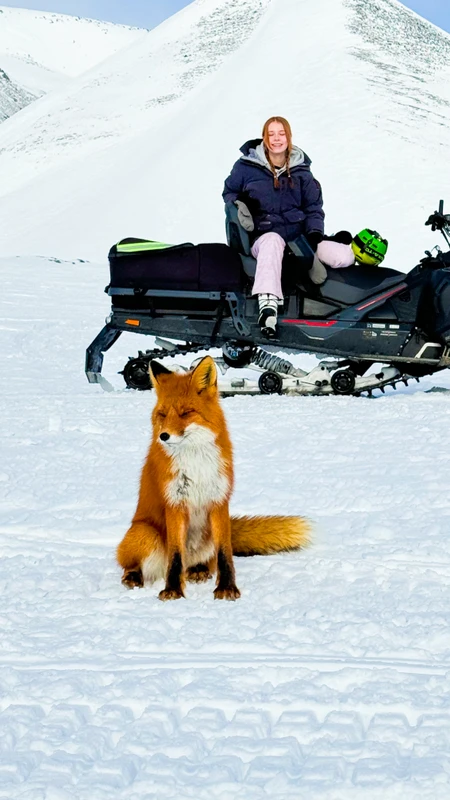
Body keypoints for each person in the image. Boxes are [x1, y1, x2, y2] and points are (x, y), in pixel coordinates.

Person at [223, 116, 325, 337]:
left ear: (288, 137)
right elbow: (229, 192)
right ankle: (267, 307)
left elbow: (314, 207)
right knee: (272, 241)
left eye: (281, 134)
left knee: (340, 256)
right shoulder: (245, 167)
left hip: (297, 239)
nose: (277, 139)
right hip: (262, 237)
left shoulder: (302, 171)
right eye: (271, 134)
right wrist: (241, 204)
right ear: (264, 138)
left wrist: (315, 235)